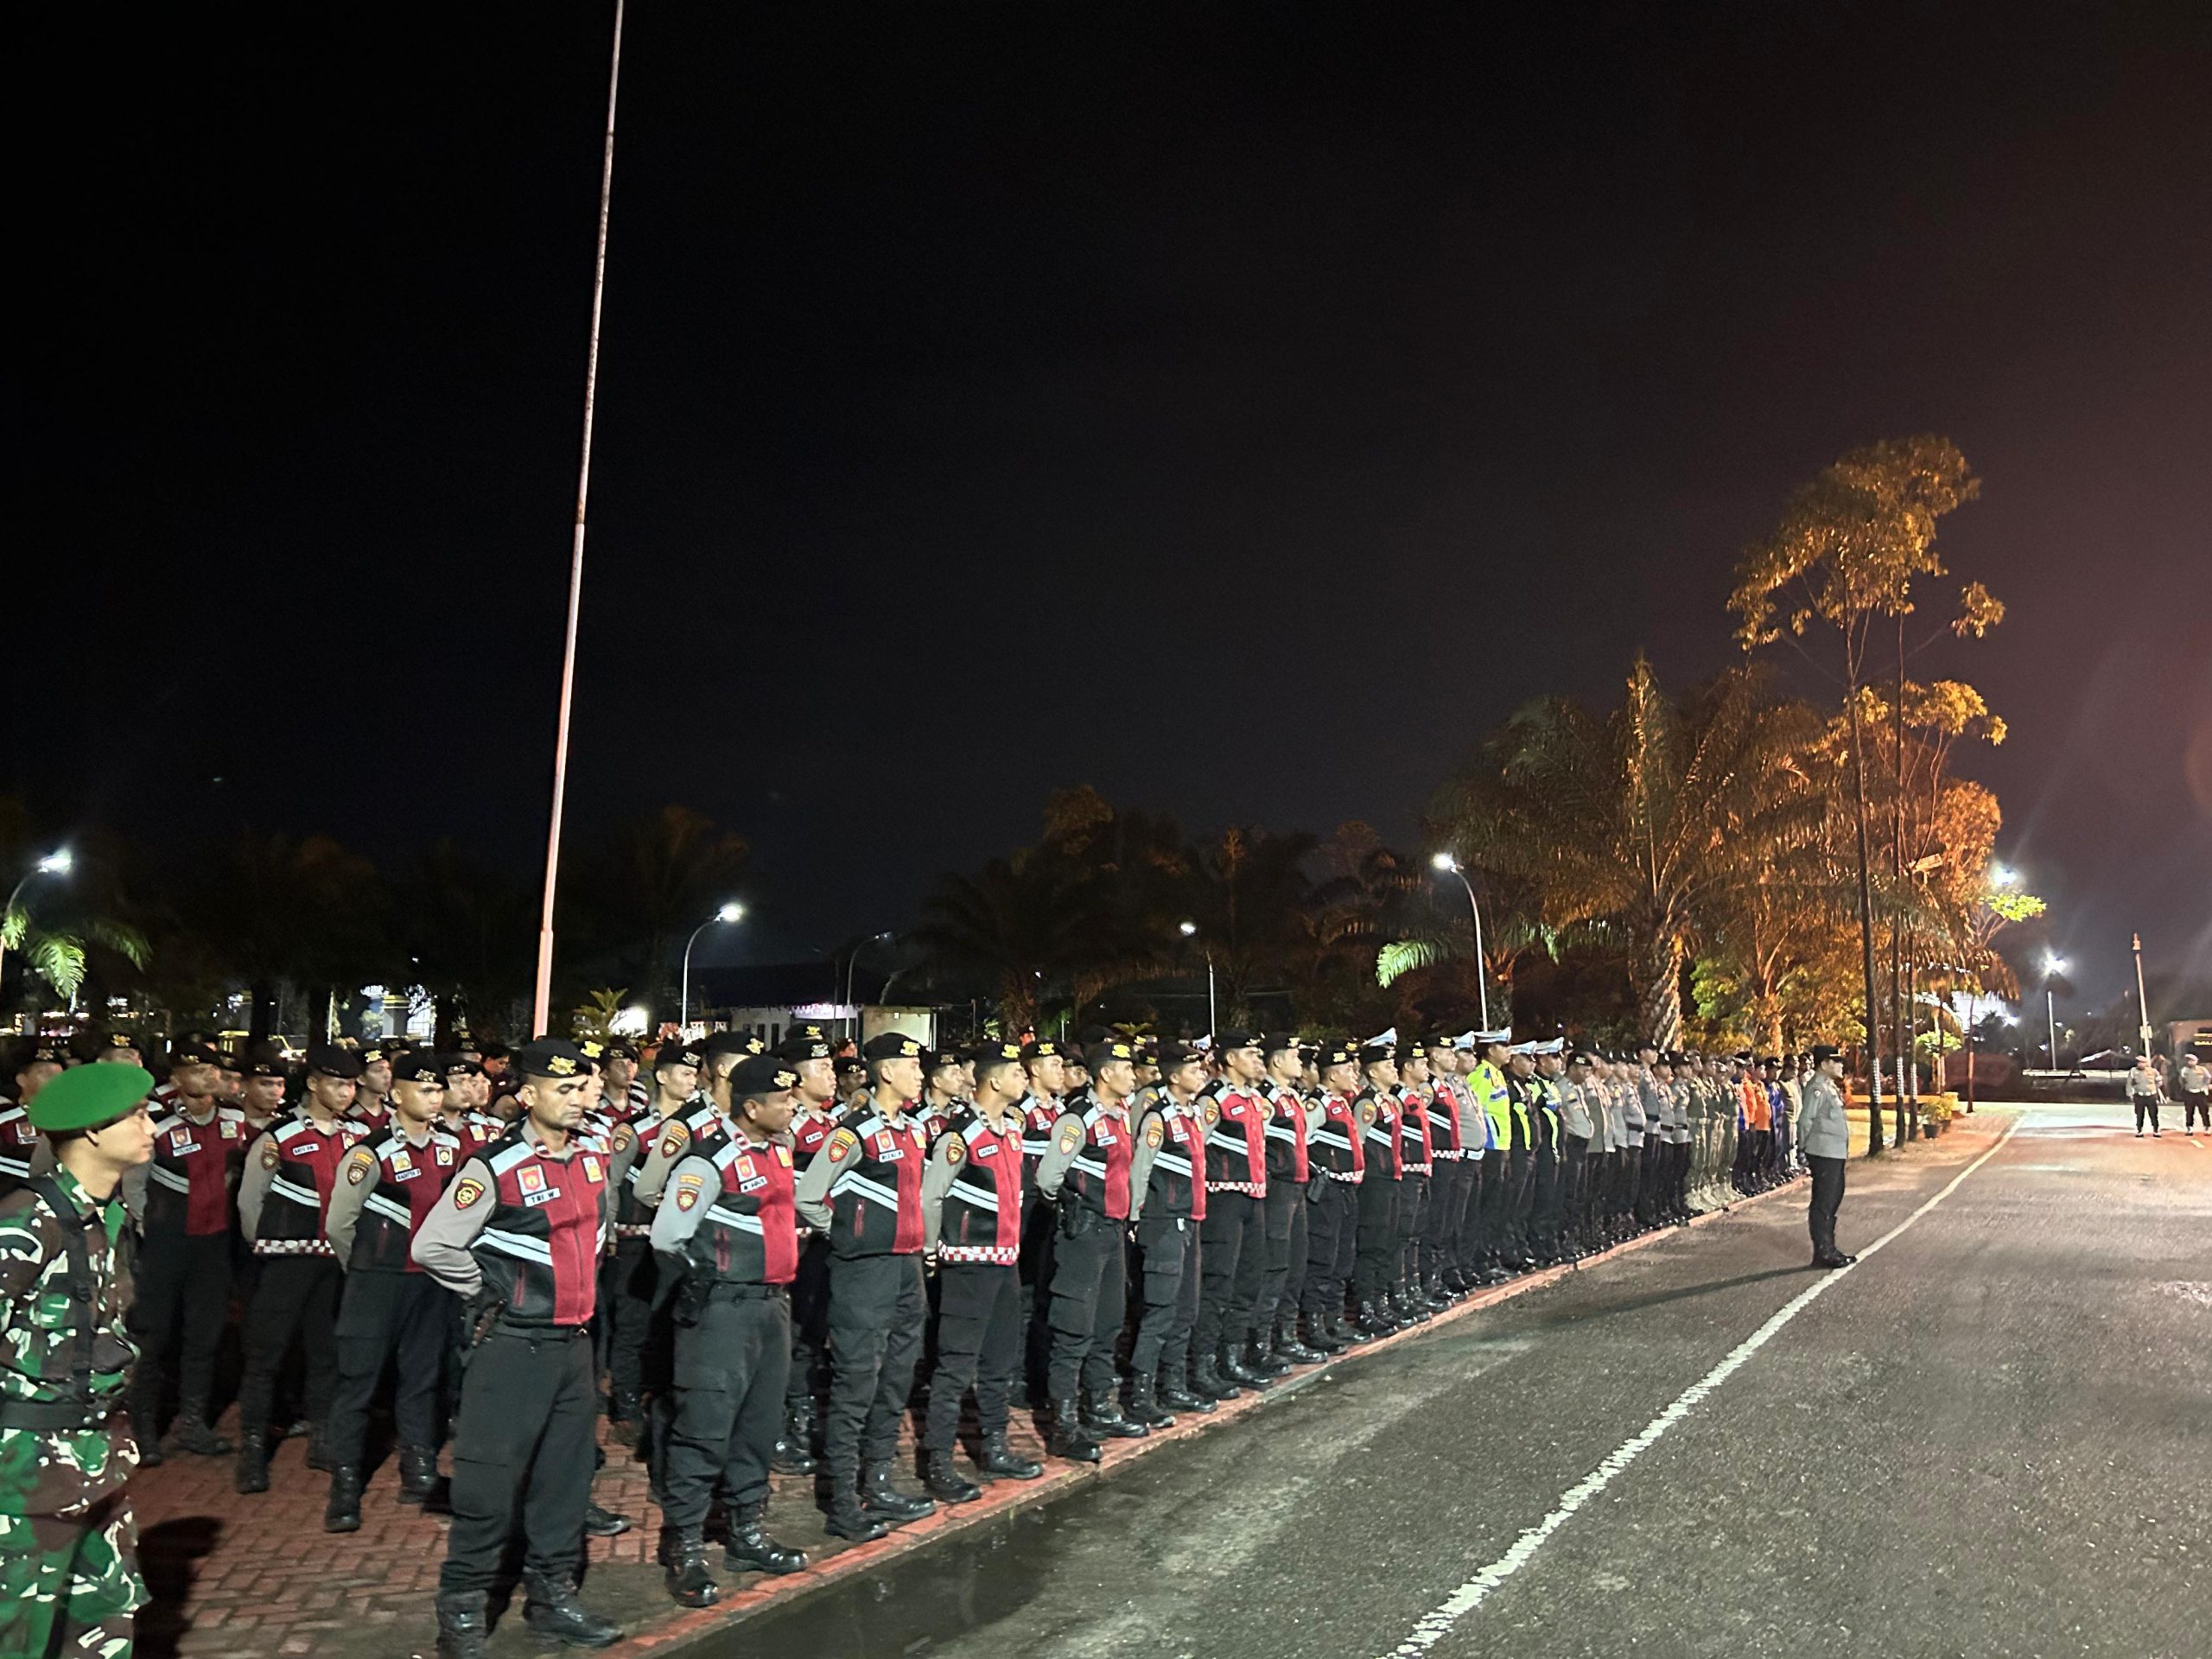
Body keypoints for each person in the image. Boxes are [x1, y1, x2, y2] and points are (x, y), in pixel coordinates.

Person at [413, 1038, 620, 1656]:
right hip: (513, 1346)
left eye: (581, 1088)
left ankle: (552, 1599)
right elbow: (432, 1245)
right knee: (488, 1486)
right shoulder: (494, 1166)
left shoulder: (591, 1158)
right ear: (528, 1095)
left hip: (573, 1347)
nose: (577, 1099)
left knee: (565, 1482)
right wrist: (489, 1292)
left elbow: (598, 1238)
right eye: (563, 1089)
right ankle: (462, 1609)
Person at [0, 1062, 156, 1659]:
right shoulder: (27, 1222)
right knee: (17, 1634)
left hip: (97, 1460)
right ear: (92, 1131)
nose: (151, 1126)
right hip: (26, 1477)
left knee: (105, 1624)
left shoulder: (108, 1217)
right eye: (135, 1116)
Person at [650, 1052, 810, 1606]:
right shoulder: (709, 1160)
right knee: (704, 1430)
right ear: (752, 1108)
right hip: (723, 1310)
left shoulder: (779, 1151)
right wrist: (710, 1279)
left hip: (772, 1307)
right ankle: (685, 1546)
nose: (792, 1107)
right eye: (783, 1100)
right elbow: (667, 1236)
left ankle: (746, 1533)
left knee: (757, 1427)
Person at [792, 1031, 936, 1540]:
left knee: (896, 1379)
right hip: (864, 1273)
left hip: (906, 1269)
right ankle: (843, 1501)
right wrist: (849, 1235)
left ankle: (878, 1482)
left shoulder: (913, 1130)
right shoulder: (853, 1134)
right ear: (886, 1072)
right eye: (911, 1066)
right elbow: (809, 1197)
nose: (920, 1074)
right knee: (856, 1384)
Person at [320, 1052, 464, 1529]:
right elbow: (340, 1224)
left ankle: (418, 1468)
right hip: (377, 1280)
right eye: (424, 1090)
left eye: (438, 1090)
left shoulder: (450, 1147)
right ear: (396, 1094)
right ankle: (345, 1483)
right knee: (358, 1381)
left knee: (422, 1378)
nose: (434, 1098)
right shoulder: (370, 1152)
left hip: (429, 1282)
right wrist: (364, 1268)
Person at [232, 1043, 374, 1492]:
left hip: (336, 1262)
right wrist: (265, 1246)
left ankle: (322, 1438)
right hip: (286, 1261)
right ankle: (253, 1449)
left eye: (351, 1085)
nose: (346, 1093)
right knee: (266, 1355)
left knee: (326, 1352)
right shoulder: (281, 1135)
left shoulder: (360, 1136)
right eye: (337, 1084)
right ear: (313, 1084)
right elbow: (250, 1200)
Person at [917, 1040, 1043, 1499]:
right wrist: (931, 1248)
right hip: (968, 1263)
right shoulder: (960, 1135)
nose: (1023, 1078)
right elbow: (932, 1195)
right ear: (992, 1081)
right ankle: (937, 1461)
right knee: (955, 1367)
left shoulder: (1011, 1130)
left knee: (999, 1362)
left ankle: (994, 1446)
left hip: (1005, 1262)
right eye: (1015, 1072)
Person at [121, 1036, 247, 1465]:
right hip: (165, 1245)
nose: (206, 1077)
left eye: (211, 1069)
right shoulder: (157, 1122)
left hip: (213, 1245)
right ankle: (143, 1428)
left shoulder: (234, 1119)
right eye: (194, 1070)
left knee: (204, 1337)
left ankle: (193, 1422)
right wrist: (149, 1229)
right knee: (153, 1338)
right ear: (176, 1078)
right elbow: (134, 1185)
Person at [1032, 1037, 1143, 1463]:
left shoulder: (1120, 1115)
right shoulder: (1079, 1118)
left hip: (1112, 1232)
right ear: (1105, 1074)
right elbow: (1048, 1178)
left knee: (1108, 1322)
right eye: (1125, 1068)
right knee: (1073, 1329)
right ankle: (1063, 1426)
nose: (1132, 1074)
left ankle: (1098, 1407)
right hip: (1084, 1233)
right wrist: (1073, 1207)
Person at [1126, 1042, 1206, 1427]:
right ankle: (1140, 1394)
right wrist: (1135, 1215)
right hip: (1163, 1221)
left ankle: (1173, 1384)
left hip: (1189, 1218)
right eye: (1193, 1070)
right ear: (1173, 1077)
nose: (1201, 1074)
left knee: (1185, 1308)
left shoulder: (1192, 1114)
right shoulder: (1159, 1117)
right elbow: (1141, 1168)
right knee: (1160, 1310)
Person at [1194, 1030, 1272, 1388]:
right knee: (1218, 1283)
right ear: (1229, 1059)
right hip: (1223, 1199)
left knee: (1248, 1279)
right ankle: (1204, 1363)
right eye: (1250, 1054)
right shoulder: (1214, 1099)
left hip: (1254, 1198)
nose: (1258, 1060)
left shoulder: (1253, 1097)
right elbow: (1196, 1147)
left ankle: (1233, 1356)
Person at [1300, 1039, 1368, 1351]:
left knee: (1343, 1257)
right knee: (1323, 1258)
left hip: (1347, 1190)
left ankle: (1335, 1317)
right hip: (1327, 1192)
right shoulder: (1318, 1104)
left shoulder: (1341, 1102)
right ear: (1332, 1074)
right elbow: (1300, 1141)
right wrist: (1317, 1173)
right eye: (1347, 1070)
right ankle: (1315, 1324)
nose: (1353, 1074)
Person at [1801, 1045, 1853, 1268]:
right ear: (1824, 1064)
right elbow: (1806, 1120)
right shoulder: (1817, 1088)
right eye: (1836, 1061)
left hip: (1834, 1153)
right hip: (1823, 1152)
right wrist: (1803, 1147)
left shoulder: (1829, 1087)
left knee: (1832, 1200)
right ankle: (1822, 1252)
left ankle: (1829, 1248)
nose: (1841, 1065)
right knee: (1823, 1203)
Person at [0, 1039, 68, 1198]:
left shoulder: (75, 1121)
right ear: (21, 1080)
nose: (54, 1080)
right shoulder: (5, 1121)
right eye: (44, 1073)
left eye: (59, 1075)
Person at [2127, 1054, 2164, 1137]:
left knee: (2153, 1114)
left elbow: (2159, 1081)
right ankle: (2139, 1130)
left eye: (2142, 1062)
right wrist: (2130, 1093)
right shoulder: (2133, 1071)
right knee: (2139, 1114)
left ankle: (2155, 1130)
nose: (2140, 1064)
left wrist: (2154, 1088)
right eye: (2139, 1062)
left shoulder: (2153, 1071)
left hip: (2151, 1096)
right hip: (2139, 1096)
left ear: (2146, 1063)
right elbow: (2129, 1083)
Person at [2180, 1052, 2211, 1134]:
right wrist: (2185, 1087)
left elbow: (2208, 1077)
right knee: (2189, 1111)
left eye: (2192, 1060)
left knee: (2204, 1111)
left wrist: (2205, 1086)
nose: (2190, 1062)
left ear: (2196, 1061)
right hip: (2189, 1092)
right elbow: (2182, 1080)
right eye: (2189, 1061)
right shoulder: (2184, 1070)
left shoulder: (2202, 1069)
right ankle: (2189, 1127)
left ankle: (2207, 1127)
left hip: (2200, 1092)